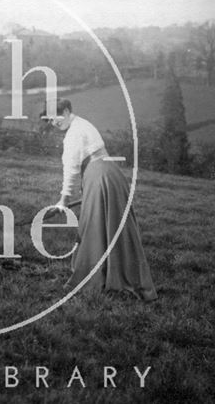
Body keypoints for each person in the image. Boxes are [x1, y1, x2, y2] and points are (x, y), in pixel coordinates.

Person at [46, 98, 157, 301]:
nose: (55, 122)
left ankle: (94, 276)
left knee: (93, 226)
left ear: (68, 111)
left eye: (58, 117)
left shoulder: (73, 134)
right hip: (112, 174)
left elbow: (70, 170)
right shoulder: (83, 124)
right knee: (116, 225)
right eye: (51, 120)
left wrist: (63, 201)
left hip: (99, 176)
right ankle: (123, 275)